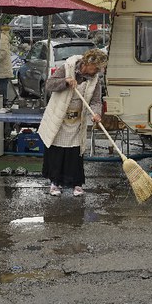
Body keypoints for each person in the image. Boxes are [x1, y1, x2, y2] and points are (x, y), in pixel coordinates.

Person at [38, 48, 108, 197]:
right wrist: (65, 81)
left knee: (75, 153)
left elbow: (96, 101)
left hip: (77, 119)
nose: (98, 71)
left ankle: (76, 184)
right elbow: (49, 85)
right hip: (59, 117)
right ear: (87, 63)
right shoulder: (67, 68)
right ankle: (55, 183)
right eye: (96, 68)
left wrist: (96, 113)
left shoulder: (95, 79)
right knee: (57, 151)